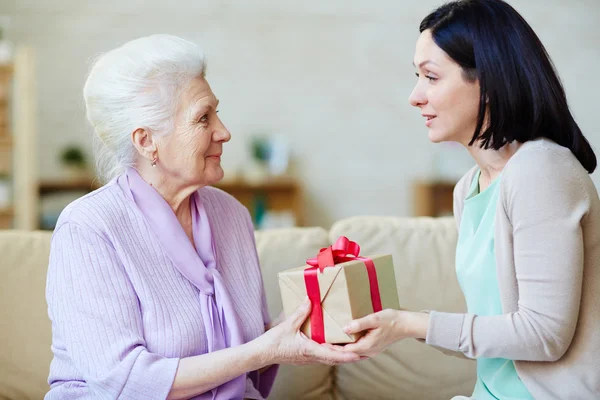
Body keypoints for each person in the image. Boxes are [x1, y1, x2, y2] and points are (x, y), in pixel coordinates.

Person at [45, 34, 359, 400]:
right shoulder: (89, 228)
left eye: (217, 113)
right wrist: (266, 349)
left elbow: (249, 353)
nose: (223, 132)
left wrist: (302, 332)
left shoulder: (231, 215)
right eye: (203, 118)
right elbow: (124, 382)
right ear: (146, 141)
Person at [340, 1, 600, 399]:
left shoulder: (541, 170)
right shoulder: (470, 188)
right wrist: (398, 326)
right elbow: (499, 334)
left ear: (489, 83)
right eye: (417, 76)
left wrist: (411, 324)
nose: (415, 96)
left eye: (431, 77)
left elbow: (545, 334)